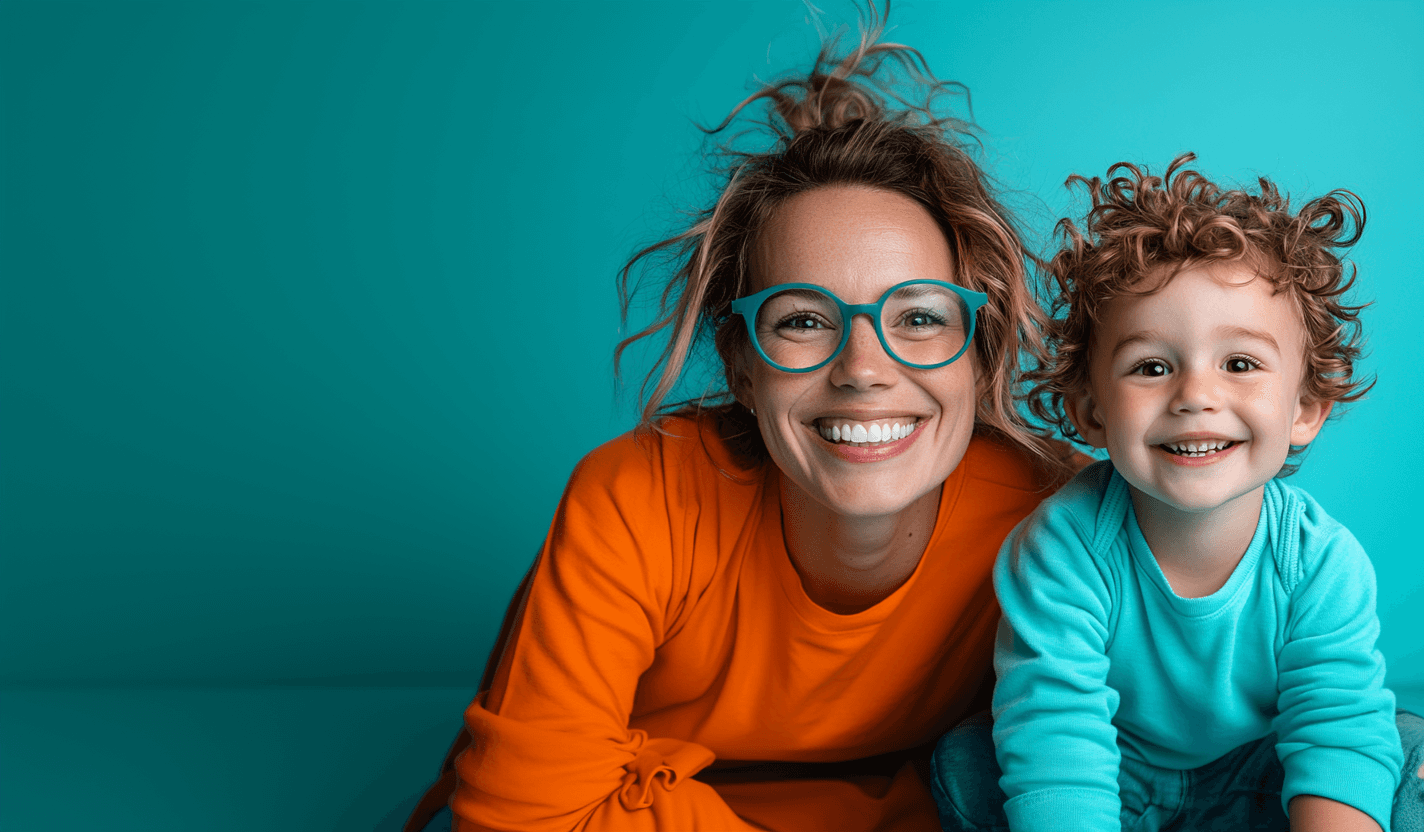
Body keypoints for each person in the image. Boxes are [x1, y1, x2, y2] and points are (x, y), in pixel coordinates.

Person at [402, 15, 1078, 832]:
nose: (864, 369)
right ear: (741, 368)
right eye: (802, 321)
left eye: (921, 318)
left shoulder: (1057, 524)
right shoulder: (639, 500)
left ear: (979, 352)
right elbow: (516, 817)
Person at [931, 154, 1424, 831]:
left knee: (1401, 747)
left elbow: (1333, 726)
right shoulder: (1060, 551)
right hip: (1116, 782)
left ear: (1305, 407)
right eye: (1152, 367)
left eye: (1240, 363)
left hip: (1263, 776)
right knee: (965, 762)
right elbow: (1058, 737)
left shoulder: (1319, 564)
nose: (1196, 396)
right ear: (1091, 411)